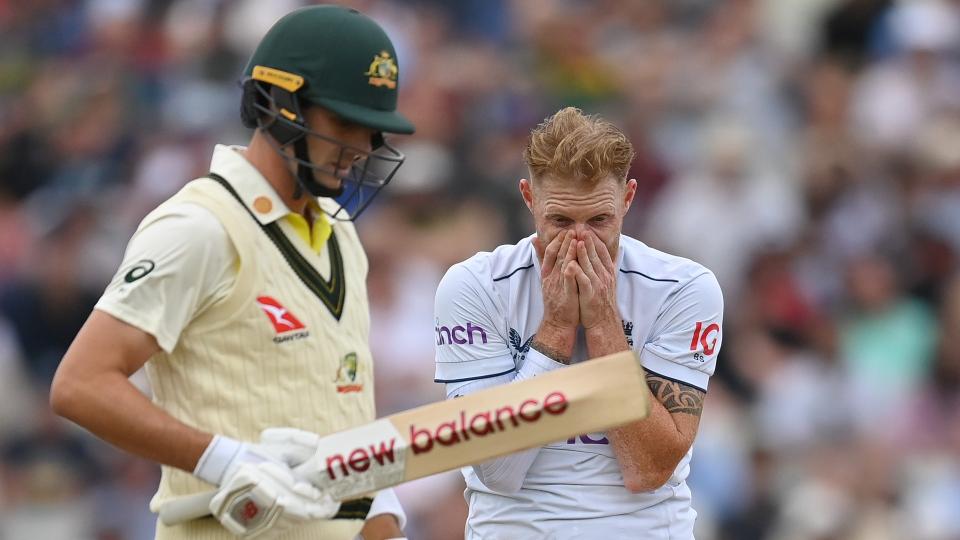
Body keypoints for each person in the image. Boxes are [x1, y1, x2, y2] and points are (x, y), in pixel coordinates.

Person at [50, 6, 414, 540]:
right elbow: (79, 385)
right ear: (281, 104)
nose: (360, 149)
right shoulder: (201, 227)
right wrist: (222, 458)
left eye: (371, 131)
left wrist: (380, 514)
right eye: (344, 123)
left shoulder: (340, 232)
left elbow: (339, 406)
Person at [433, 107, 724, 539]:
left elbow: (649, 469)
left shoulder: (683, 288)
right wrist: (556, 329)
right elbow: (496, 470)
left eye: (599, 221)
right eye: (561, 221)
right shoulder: (474, 286)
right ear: (529, 198)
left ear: (627, 198)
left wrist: (605, 324)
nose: (580, 241)